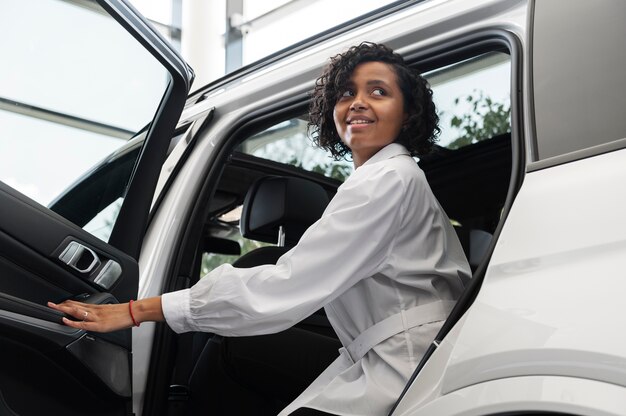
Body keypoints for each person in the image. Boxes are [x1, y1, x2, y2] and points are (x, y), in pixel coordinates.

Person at [49, 42, 471, 415]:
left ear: (407, 112)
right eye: (347, 92)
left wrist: (133, 311)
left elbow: (283, 286)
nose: (358, 102)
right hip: (398, 359)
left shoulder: (387, 181)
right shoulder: (390, 179)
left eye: (378, 91)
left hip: (403, 364)